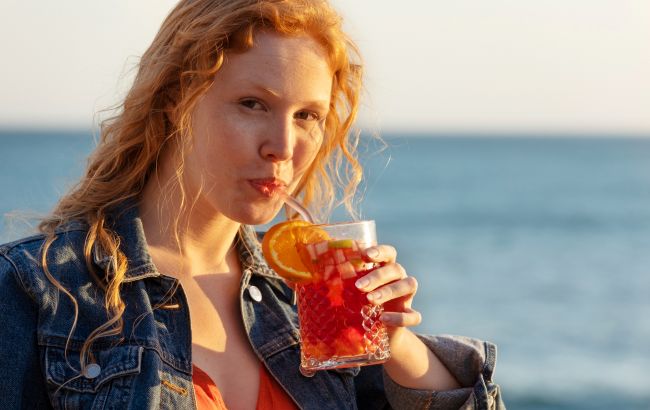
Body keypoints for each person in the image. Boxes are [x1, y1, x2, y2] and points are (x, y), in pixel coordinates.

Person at [0, 0, 504, 408]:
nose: (282, 147)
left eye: (307, 116)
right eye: (252, 104)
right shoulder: (38, 289)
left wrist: (397, 346)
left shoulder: (305, 300)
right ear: (176, 99)